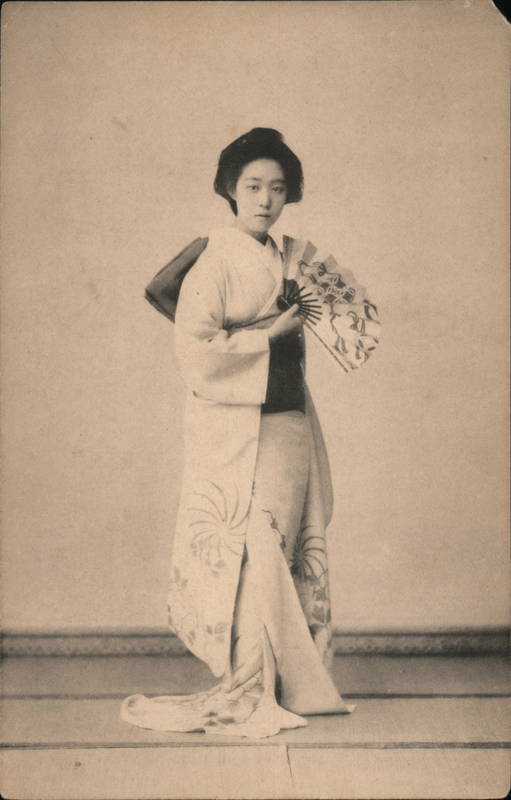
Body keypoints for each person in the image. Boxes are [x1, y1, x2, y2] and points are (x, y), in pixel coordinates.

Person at [120, 128, 355, 738]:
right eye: (253, 186)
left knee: (279, 548)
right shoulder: (216, 257)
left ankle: (276, 683)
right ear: (229, 188)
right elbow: (194, 350)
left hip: (289, 419)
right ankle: (249, 684)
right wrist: (266, 336)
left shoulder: (285, 256)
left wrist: (292, 338)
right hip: (238, 426)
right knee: (252, 548)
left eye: (278, 188)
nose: (265, 199)